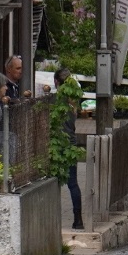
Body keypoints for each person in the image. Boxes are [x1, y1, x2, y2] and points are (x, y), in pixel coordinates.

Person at [55, 68, 84, 230]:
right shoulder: (73, 102)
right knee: (73, 184)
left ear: (56, 82)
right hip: (71, 144)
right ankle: (78, 219)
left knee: (53, 183)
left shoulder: (55, 100)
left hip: (57, 144)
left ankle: (53, 219)